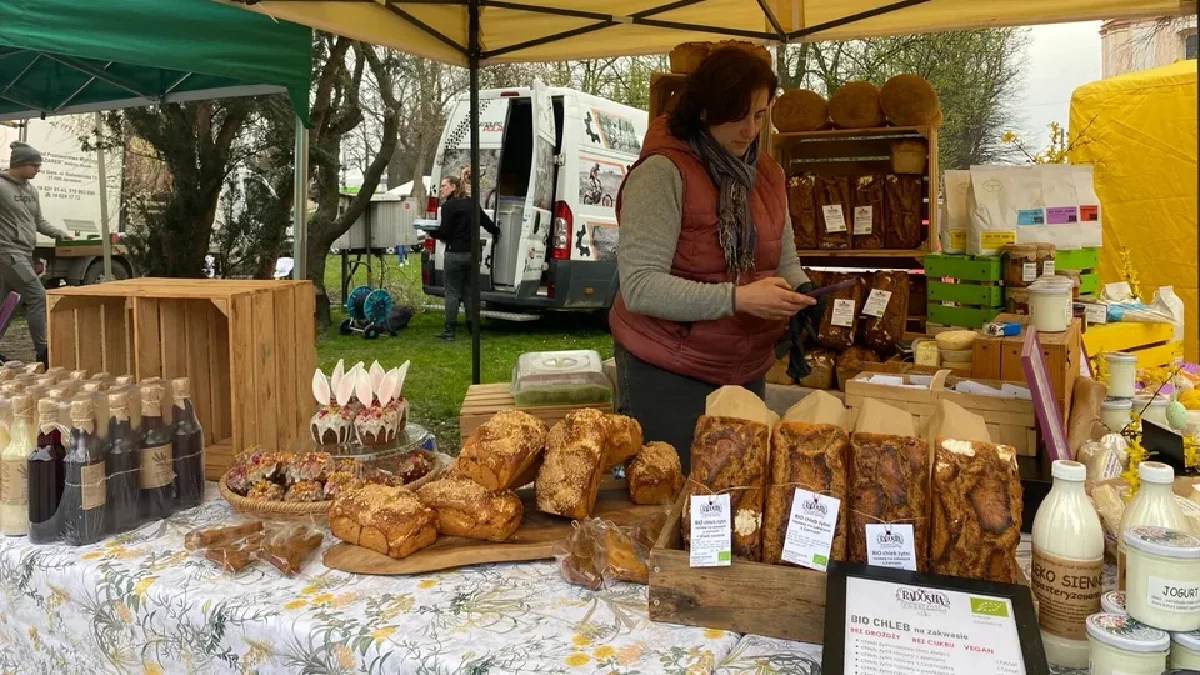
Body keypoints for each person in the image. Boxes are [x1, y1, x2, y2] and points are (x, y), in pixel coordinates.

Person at [608, 47, 817, 473]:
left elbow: (784, 257)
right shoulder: (662, 173)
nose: (750, 129)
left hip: (744, 365)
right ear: (705, 110)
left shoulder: (768, 175)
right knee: (674, 499)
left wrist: (802, 290)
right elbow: (641, 287)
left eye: (759, 115)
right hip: (666, 368)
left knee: (739, 496)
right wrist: (738, 299)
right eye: (738, 115)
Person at [0, 142, 72, 366]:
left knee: (4, 302)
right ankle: (43, 353)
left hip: (23, 251)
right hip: (6, 250)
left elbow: (38, 221)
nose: (38, 169)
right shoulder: (1, 187)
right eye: (34, 165)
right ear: (19, 164)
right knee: (37, 296)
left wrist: (60, 234)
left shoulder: (32, 191)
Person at [430, 176, 500, 341]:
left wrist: (432, 232)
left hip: (455, 254)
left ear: (453, 187)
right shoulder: (472, 203)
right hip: (473, 254)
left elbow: (445, 233)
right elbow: (487, 223)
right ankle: (473, 328)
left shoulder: (448, 206)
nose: (441, 189)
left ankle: (449, 330)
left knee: (452, 292)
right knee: (470, 292)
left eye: (444, 186)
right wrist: (497, 232)